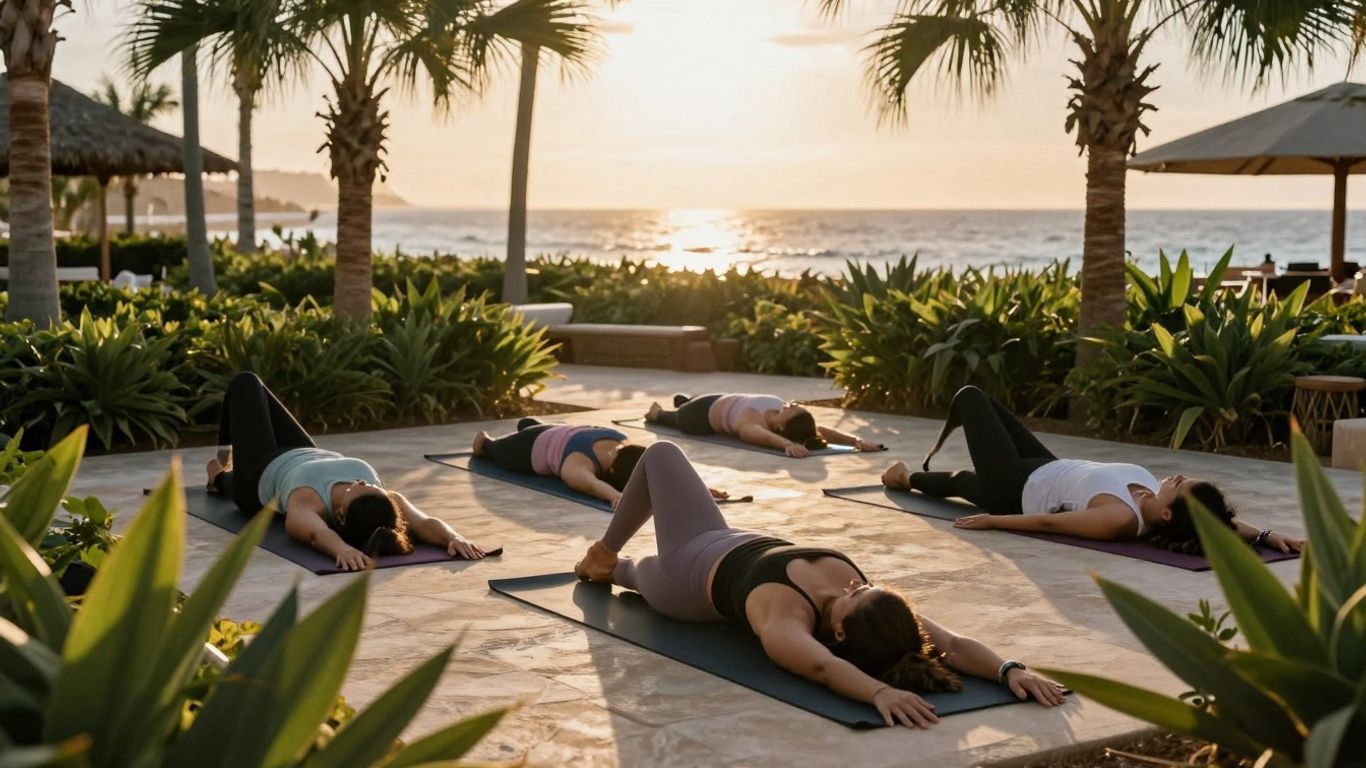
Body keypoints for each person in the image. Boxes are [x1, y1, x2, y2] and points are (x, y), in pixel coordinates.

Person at [573, 441, 1066, 728]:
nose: (852, 583)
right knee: (662, 455)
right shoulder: (873, 610)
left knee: (633, 564)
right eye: (864, 585)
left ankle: (607, 561)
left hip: (683, 575)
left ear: (843, 633)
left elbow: (826, 670)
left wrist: (878, 694)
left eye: (854, 594)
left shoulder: (787, 624)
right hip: (721, 533)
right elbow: (953, 645)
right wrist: (1009, 670)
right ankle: (604, 560)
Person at [881, 386, 1302, 554]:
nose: (1174, 477)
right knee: (962, 476)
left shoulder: (1120, 518)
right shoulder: (1158, 501)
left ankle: (904, 476)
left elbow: (1049, 521)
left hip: (1013, 488)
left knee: (971, 398)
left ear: (1169, 513)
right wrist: (1266, 535)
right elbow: (1215, 523)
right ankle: (902, 477)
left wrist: (993, 520)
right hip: (1047, 465)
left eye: (1179, 485)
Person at [206, 372, 487, 571]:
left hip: (259, 470)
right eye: (372, 485)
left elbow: (316, 535)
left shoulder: (308, 501)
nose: (361, 480)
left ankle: (218, 474)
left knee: (246, 382)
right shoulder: (386, 502)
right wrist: (455, 538)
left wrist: (341, 549)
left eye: (358, 487)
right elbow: (424, 523)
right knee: (259, 390)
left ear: (339, 515)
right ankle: (220, 471)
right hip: (305, 449)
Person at [472, 418, 655, 505]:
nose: (613, 449)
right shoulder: (580, 462)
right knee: (490, 448)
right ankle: (485, 442)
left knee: (529, 424)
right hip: (529, 446)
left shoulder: (620, 441)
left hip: (551, 432)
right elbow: (593, 485)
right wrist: (617, 497)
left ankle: (528, 424)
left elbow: (593, 486)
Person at [645, 393, 886, 458]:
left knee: (672, 416)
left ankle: (658, 412)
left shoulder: (753, 424)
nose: (792, 403)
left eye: (794, 409)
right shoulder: (778, 411)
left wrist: (787, 445)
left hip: (699, 416)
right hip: (717, 396)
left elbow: (751, 434)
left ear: (783, 428)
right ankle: (684, 399)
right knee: (686, 399)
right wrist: (856, 440)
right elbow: (819, 430)